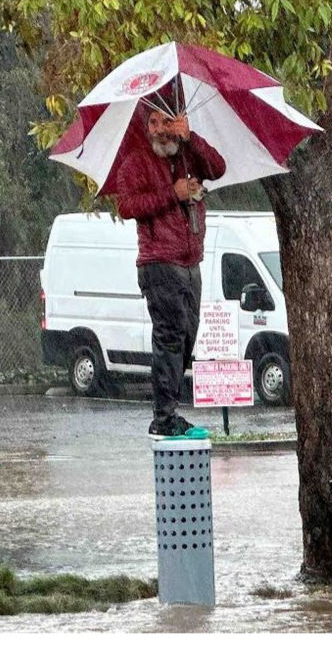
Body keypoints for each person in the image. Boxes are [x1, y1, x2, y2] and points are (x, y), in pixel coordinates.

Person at [110, 101, 226, 437]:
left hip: (191, 261)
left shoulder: (187, 153)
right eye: (154, 123)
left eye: (167, 121)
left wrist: (191, 138)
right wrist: (171, 194)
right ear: (146, 129)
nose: (161, 129)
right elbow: (127, 205)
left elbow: (217, 168)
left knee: (188, 334)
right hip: (159, 262)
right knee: (170, 337)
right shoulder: (136, 162)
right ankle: (164, 417)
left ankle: (170, 411)